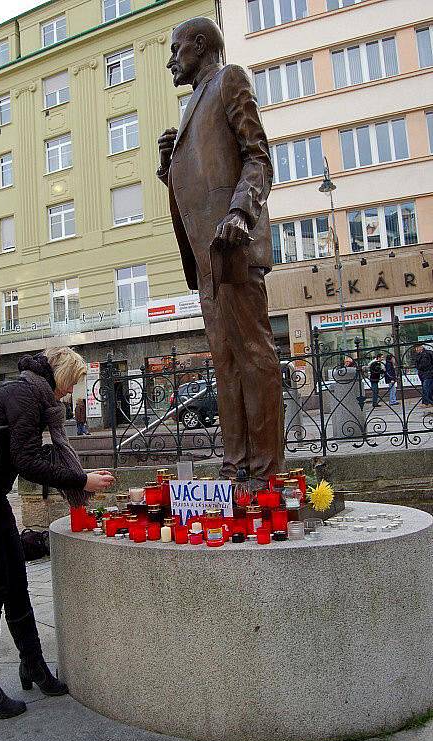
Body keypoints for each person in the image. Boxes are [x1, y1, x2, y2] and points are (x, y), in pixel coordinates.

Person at [0, 347, 115, 722]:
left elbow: (23, 457)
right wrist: (82, 479)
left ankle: (33, 666)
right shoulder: (24, 395)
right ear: (60, 375)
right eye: (71, 384)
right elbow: (27, 461)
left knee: (16, 582)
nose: (69, 393)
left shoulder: (29, 393)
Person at [156, 17, 283, 480]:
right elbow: (196, 183)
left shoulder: (229, 79)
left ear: (201, 44)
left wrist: (241, 213)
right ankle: (235, 468)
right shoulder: (192, 103)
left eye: (176, 48)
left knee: (252, 355)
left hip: (233, 246)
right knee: (225, 363)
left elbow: (258, 155)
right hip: (206, 258)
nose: (171, 59)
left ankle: (266, 473)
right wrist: (167, 164)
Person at [415, 343, 433, 408]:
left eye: (417, 348)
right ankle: (427, 402)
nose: (416, 349)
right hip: (423, 374)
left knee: (426, 388)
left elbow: (425, 364)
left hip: (428, 374)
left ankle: (427, 403)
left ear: (421, 347)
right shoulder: (419, 355)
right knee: (426, 388)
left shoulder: (427, 354)